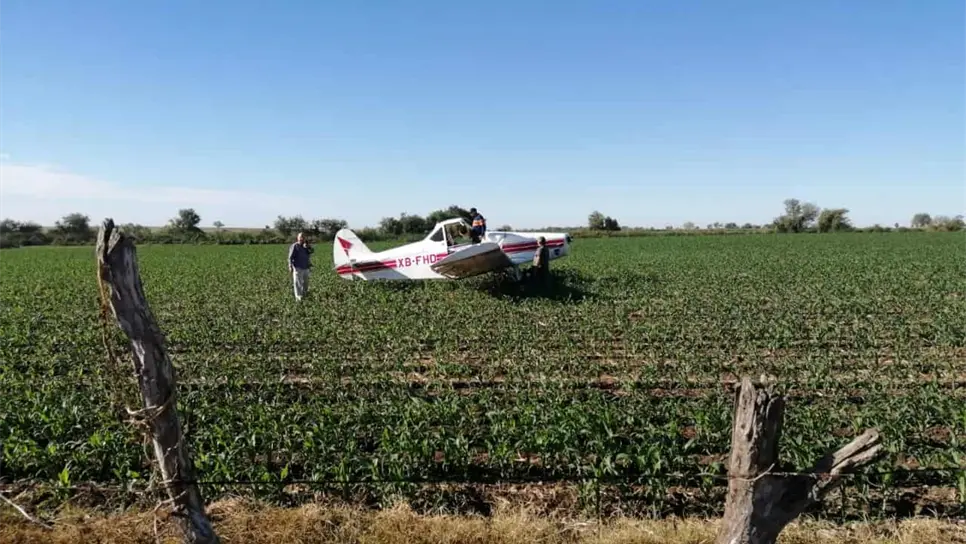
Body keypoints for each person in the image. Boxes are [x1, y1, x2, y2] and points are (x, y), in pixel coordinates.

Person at [288, 232, 313, 301]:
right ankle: (299, 299)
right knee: (298, 284)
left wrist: (308, 247)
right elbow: (290, 257)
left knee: (306, 283)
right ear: (297, 238)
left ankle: (305, 296)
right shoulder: (295, 246)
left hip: (306, 267)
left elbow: (312, 252)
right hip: (298, 267)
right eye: (300, 237)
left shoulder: (306, 246)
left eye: (303, 237)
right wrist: (290, 265)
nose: (302, 238)